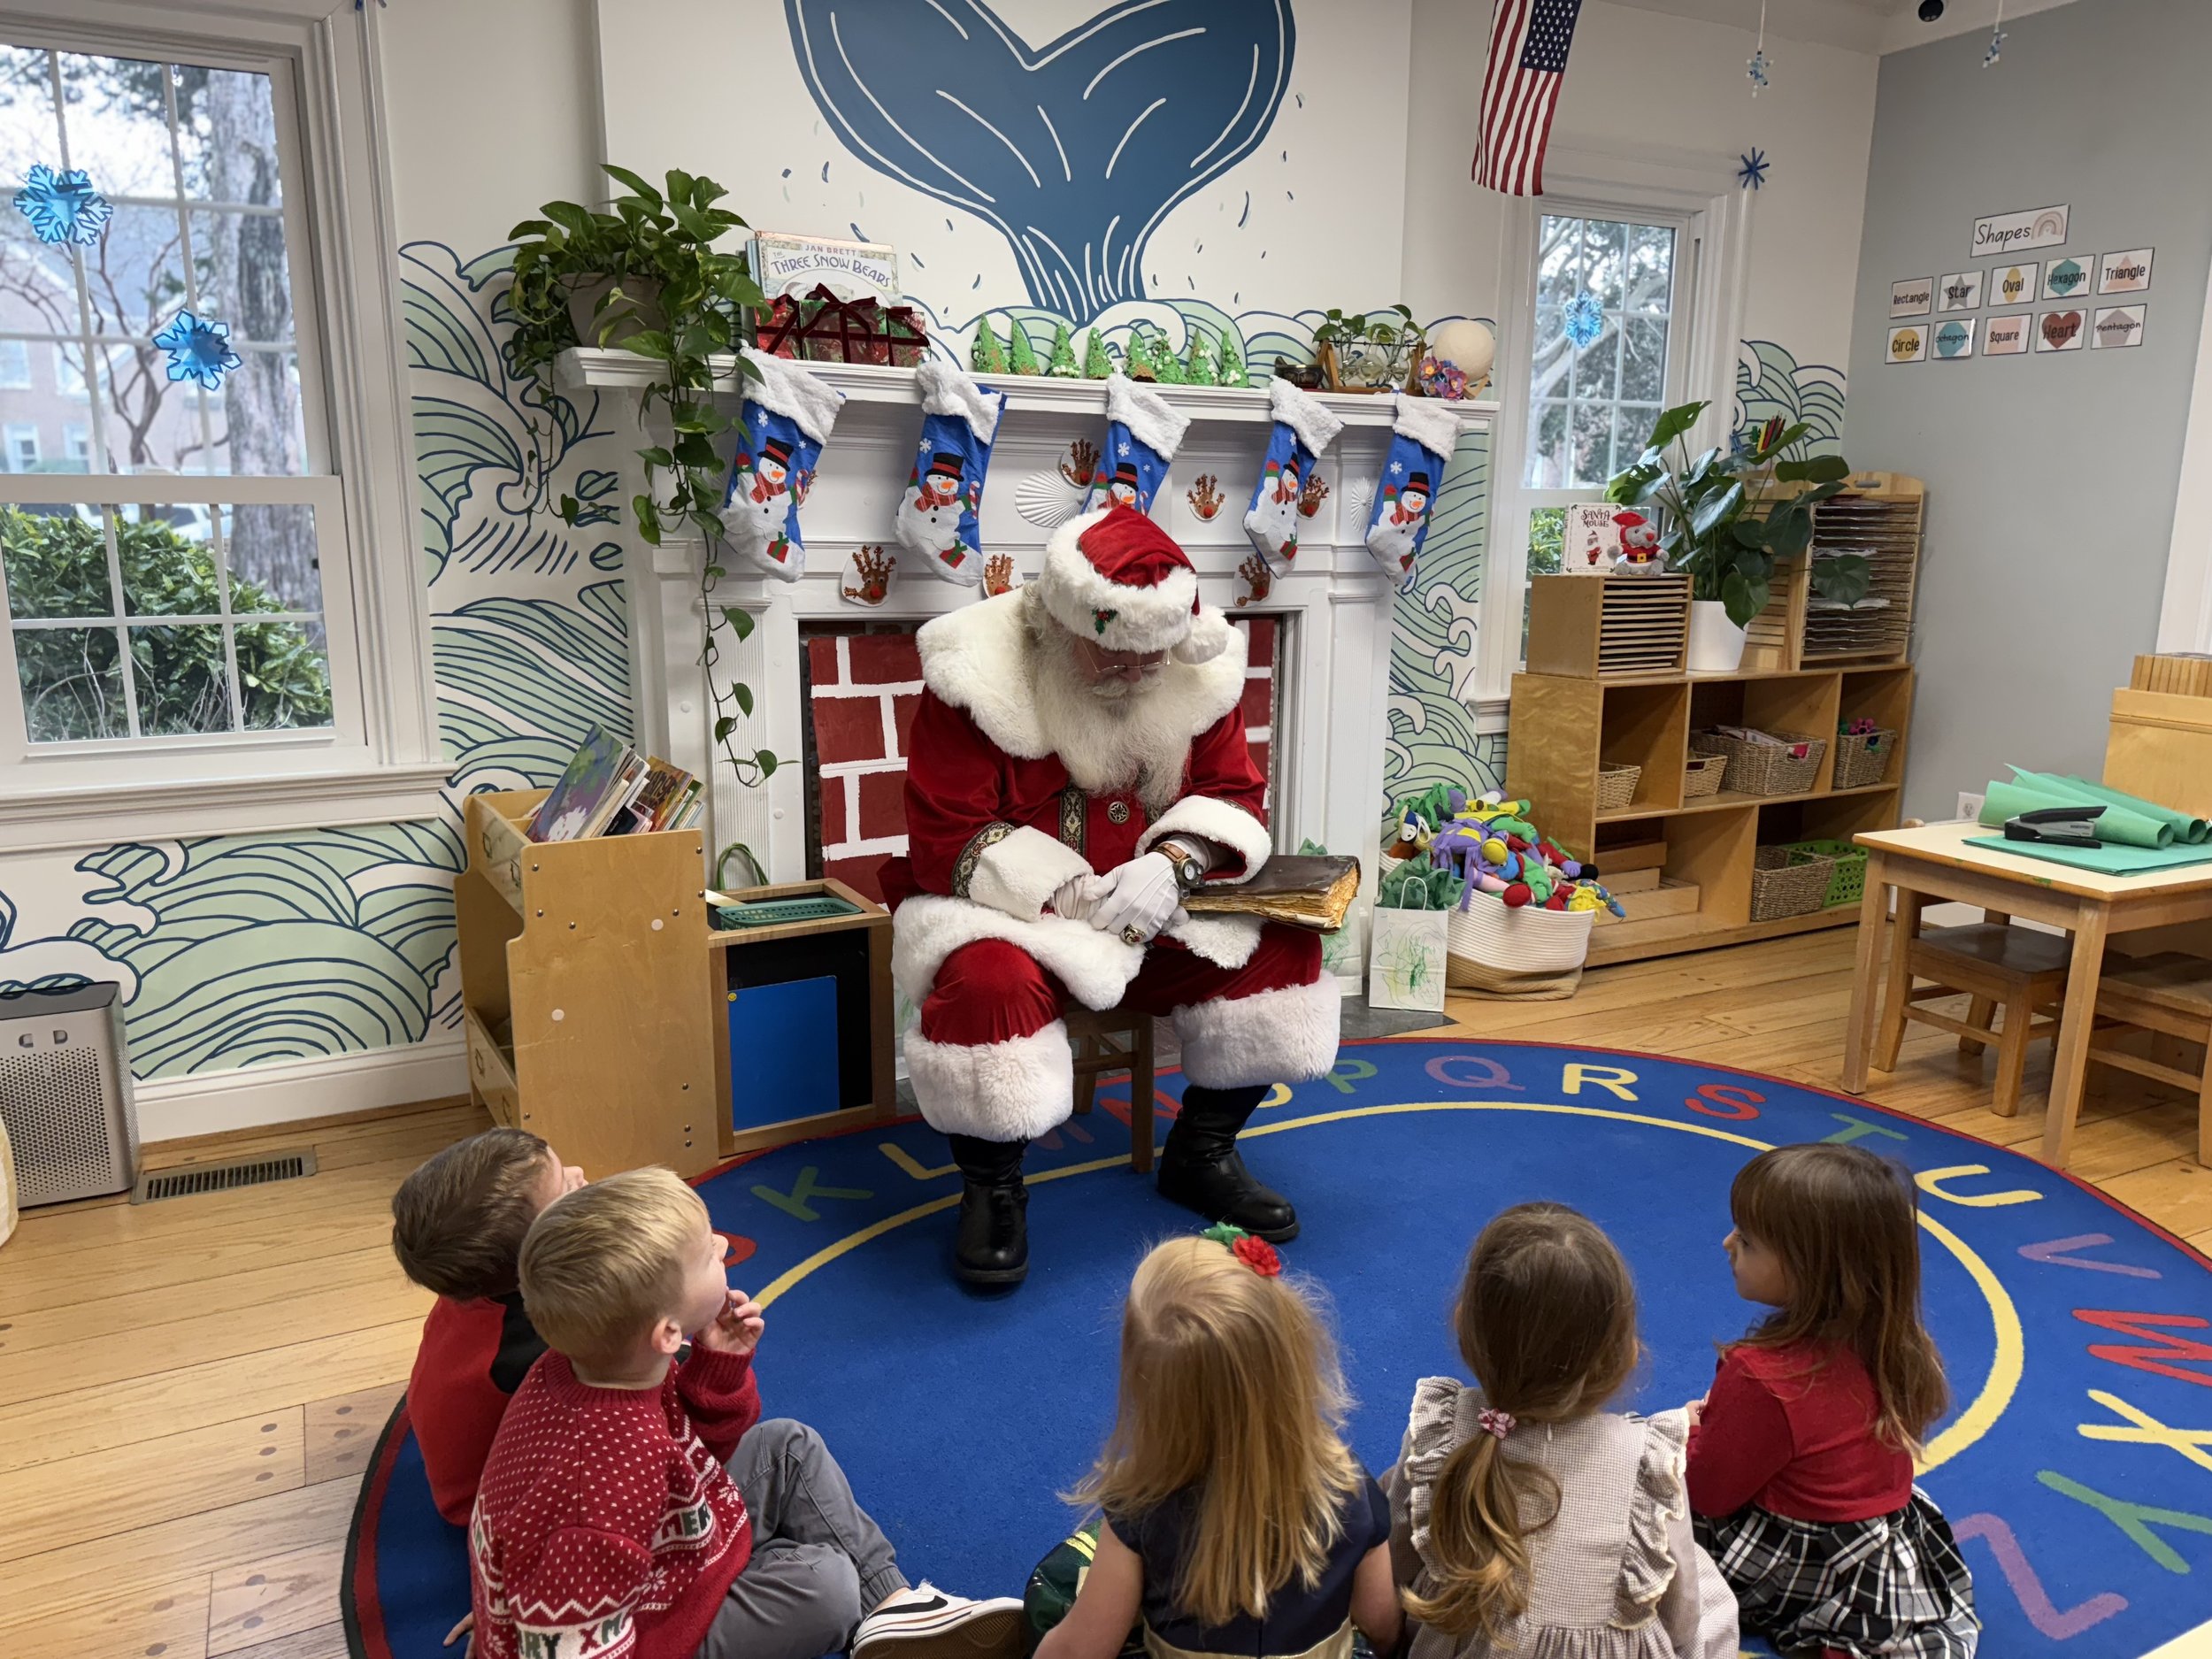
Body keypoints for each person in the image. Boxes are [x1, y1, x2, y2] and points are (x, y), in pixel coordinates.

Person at [881, 503, 1341, 1286]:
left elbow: (1234, 792)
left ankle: (1202, 1150)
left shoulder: (1198, 668)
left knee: (1283, 944)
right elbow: (944, 832)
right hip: (1014, 919)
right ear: (1061, 628)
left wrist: (1178, 860)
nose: (1136, 672)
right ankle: (992, 1185)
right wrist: (1065, 890)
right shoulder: (974, 673)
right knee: (986, 985)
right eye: (1114, 656)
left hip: (1160, 911)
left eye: (1152, 655)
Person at [467, 1167, 1022, 1659]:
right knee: (828, 1588)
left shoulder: (596, 1365)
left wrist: (718, 1369)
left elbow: (698, 1450)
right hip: (656, 1629)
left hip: (669, 1547)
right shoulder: (599, 1483)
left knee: (789, 1445)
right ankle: (853, 1602)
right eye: (707, 1253)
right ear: (666, 1333)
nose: (722, 1244)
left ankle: (895, 1606)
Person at [1386, 1203, 1737, 1659]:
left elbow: (1397, 1559)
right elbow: (1681, 1616)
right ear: (1624, 1353)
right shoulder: (1648, 1465)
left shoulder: (1439, 1431)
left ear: (1463, 1325)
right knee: (1703, 1580)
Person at [1033, 1228, 1401, 1659]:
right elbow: (1382, 1623)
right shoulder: (1349, 1486)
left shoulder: (1142, 1508)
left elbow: (1082, 1651)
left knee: (1054, 1588)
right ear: (1292, 1357)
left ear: (1150, 1394)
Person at [1687, 1145, 1979, 1659]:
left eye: (1748, 1240)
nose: (1727, 1243)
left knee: (1636, 1479)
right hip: (1874, 1548)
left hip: (1796, 1557)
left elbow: (1706, 1493)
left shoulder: (1764, 1376)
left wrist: (1692, 1429)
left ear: (1812, 1270)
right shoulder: (1891, 1341)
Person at [390, 1126, 583, 1525]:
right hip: (489, 1500)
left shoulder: (477, 1285)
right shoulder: (534, 1341)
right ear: (534, 1256)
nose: (580, 1174)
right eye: (566, 1187)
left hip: (464, 1454)